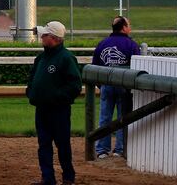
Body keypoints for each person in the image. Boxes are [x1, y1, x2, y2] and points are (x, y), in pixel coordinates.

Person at [27, 21, 81, 185]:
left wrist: (56, 97)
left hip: (59, 110)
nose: (42, 37)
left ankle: (68, 177)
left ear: (55, 38)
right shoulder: (41, 58)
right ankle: (47, 178)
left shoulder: (66, 58)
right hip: (42, 109)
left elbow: (75, 85)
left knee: (62, 144)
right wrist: (31, 92)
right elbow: (32, 79)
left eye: (45, 35)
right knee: (43, 144)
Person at [92, 16, 141, 159]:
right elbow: (137, 68)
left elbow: (95, 67)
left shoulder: (102, 44)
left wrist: (101, 85)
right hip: (124, 85)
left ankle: (102, 149)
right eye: (129, 25)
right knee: (122, 118)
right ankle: (119, 149)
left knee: (104, 117)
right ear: (124, 28)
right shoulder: (132, 45)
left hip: (106, 84)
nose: (130, 27)